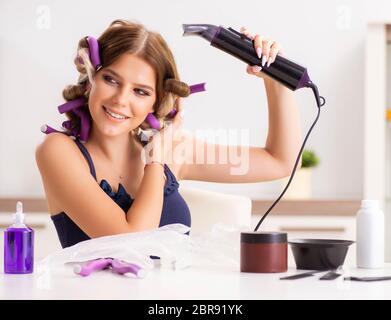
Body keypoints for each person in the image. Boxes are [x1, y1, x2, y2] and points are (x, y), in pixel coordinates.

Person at [35, 19, 301, 248]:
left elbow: (279, 161)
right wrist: (155, 161)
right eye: (111, 80)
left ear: (157, 101)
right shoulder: (58, 151)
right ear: (91, 78)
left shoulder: (174, 149)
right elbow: (131, 243)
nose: (120, 99)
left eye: (140, 91)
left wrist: (274, 80)